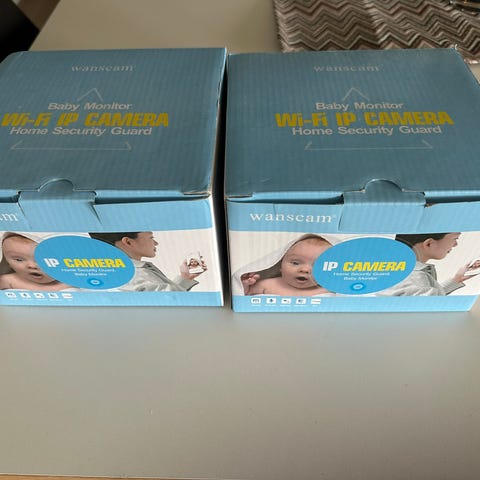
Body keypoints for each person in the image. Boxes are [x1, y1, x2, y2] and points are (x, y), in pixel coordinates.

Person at [89, 231, 206, 292]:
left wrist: (185, 277)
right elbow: (177, 302)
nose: (156, 243)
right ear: (128, 242)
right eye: (151, 237)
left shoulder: (123, 272)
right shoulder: (134, 275)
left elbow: (164, 296)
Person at [237, 234, 333, 296]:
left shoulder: (326, 290)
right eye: (295, 263)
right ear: (280, 265)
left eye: (316, 265)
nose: (304, 270)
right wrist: (245, 285)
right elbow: (243, 296)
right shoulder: (266, 285)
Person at [379, 232, 473, 296]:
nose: (455, 244)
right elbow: (434, 308)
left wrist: (457, 279)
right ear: (429, 243)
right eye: (455, 238)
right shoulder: (415, 277)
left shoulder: (398, 271)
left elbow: (426, 297)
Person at [0, 232, 69, 291]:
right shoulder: (7, 281)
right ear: (7, 263)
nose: (31, 266)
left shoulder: (68, 283)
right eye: (19, 260)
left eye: (40, 259)